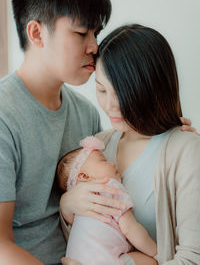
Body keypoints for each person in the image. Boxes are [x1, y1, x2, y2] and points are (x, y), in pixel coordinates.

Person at [0, 0, 129, 264]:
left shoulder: (85, 115)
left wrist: (167, 134)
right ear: (37, 33)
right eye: (82, 32)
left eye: (96, 33)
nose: (95, 47)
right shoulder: (5, 115)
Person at [60, 24, 200, 265]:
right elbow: (83, 243)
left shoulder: (185, 151)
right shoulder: (99, 146)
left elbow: (192, 258)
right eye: (102, 90)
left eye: (123, 94)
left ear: (151, 90)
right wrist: (66, 206)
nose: (111, 106)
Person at [57, 136, 157, 265]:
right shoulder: (109, 188)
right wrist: (157, 253)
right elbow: (130, 228)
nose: (112, 163)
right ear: (84, 176)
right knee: (149, 261)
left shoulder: (77, 210)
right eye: (103, 161)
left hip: (76, 260)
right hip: (103, 261)